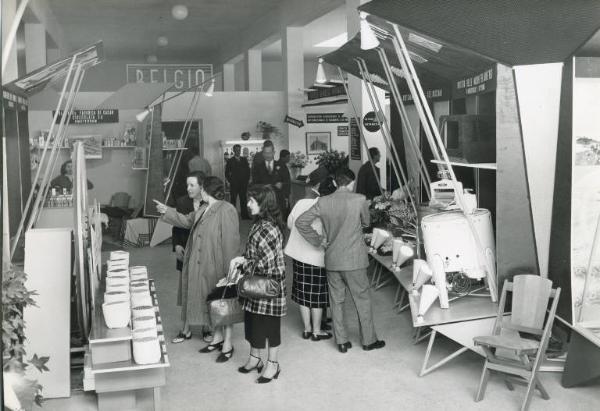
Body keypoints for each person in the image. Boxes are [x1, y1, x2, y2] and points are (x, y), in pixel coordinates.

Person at [295, 168, 385, 353]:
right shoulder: (359, 199)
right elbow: (366, 223)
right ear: (351, 183)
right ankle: (368, 341)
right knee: (362, 300)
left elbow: (301, 222)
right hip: (355, 260)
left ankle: (342, 342)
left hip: (333, 259)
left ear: (335, 182)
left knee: (336, 301)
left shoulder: (323, 201)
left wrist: (318, 240)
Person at [156, 174, 240, 362]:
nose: (197, 191)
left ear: (205, 190)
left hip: (217, 265)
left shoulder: (226, 210)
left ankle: (228, 344)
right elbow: (186, 221)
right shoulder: (204, 208)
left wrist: (230, 273)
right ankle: (217, 339)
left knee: (223, 303)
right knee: (211, 302)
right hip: (202, 266)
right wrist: (166, 211)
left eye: (200, 188)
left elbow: (230, 243)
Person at [231, 185, 286, 383]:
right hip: (255, 283)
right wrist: (243, 259)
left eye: (251, 201)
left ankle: (273, 364)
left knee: (269, 325)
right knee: (253, 321)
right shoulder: (258, 224)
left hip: (268, 285)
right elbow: (252, 253)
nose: (247, 204)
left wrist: (244, 262)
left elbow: (266, 264)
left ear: (264, 204)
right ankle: (255, 357)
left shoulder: (269, 228)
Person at [285, 180, 331, 341]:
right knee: (316, 294)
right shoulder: (325, 206)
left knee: (302, 291)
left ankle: (307, 328)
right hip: (315, 255)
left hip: (297, 254)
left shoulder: (301, 202)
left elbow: (290, 224)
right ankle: (317, 331)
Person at [169, 171, 212, 344]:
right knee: (186, 289)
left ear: (202, 187)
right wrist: (177, 245)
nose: (188, 188)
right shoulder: (182, 202)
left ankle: (206, 327)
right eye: (187, 185)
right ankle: (185, 329)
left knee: (205, 289)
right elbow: (177, 226)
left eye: (192, 185)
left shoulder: (210, 203)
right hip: (186, 251)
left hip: (204, 252)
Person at [252, 140, 286, 214]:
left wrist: (282, 185)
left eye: (269, 153)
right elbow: (255, 184)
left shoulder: (282, 166)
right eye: (265, 153)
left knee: (279, 223)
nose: (267, 155)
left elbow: (287, 182)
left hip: (279, 202)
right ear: (263, 153)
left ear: (274, 152)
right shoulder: (258, 167)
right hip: (264, 202)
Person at [225, 144, 250, 219]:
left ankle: (245, 215)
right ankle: (232, 216)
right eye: (236, 150)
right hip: (234, 184)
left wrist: (247, 181)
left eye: (239, 150)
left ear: (240, 150)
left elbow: (248, 171)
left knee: (244, 200)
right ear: (234, 150)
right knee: (233, 201)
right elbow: (226, 173)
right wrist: (231, 181)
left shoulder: (244, 160)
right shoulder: (230, 161)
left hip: (243, 184)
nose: (238, 151)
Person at [277, 149, 291, 218]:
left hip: (285, 191)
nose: (289, 158)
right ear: (283, 157)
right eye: (288, 157)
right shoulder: (279, 166)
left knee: (286, 209)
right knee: (283, 210)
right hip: (282, 192)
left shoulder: (282, 164)